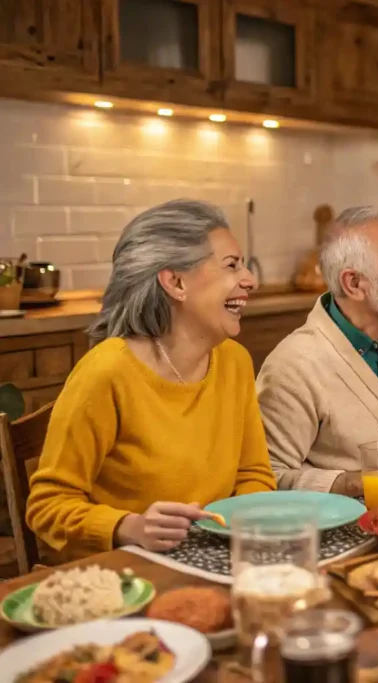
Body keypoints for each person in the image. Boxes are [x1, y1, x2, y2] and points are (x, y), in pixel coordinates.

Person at [26, 200, 277, 561]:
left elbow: (253, 473)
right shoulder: (107, 372)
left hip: (216, 559)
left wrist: (243, 536)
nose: (250, 280)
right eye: (232, 265)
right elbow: (47, 507)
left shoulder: (234, 361)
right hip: (123, 574)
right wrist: (130, 527)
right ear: (175, 282)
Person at [257, 206, 378, 495]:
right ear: (355, 284)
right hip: (342, 533)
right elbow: (270, 479)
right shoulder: (293, 364)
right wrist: (364, 478)